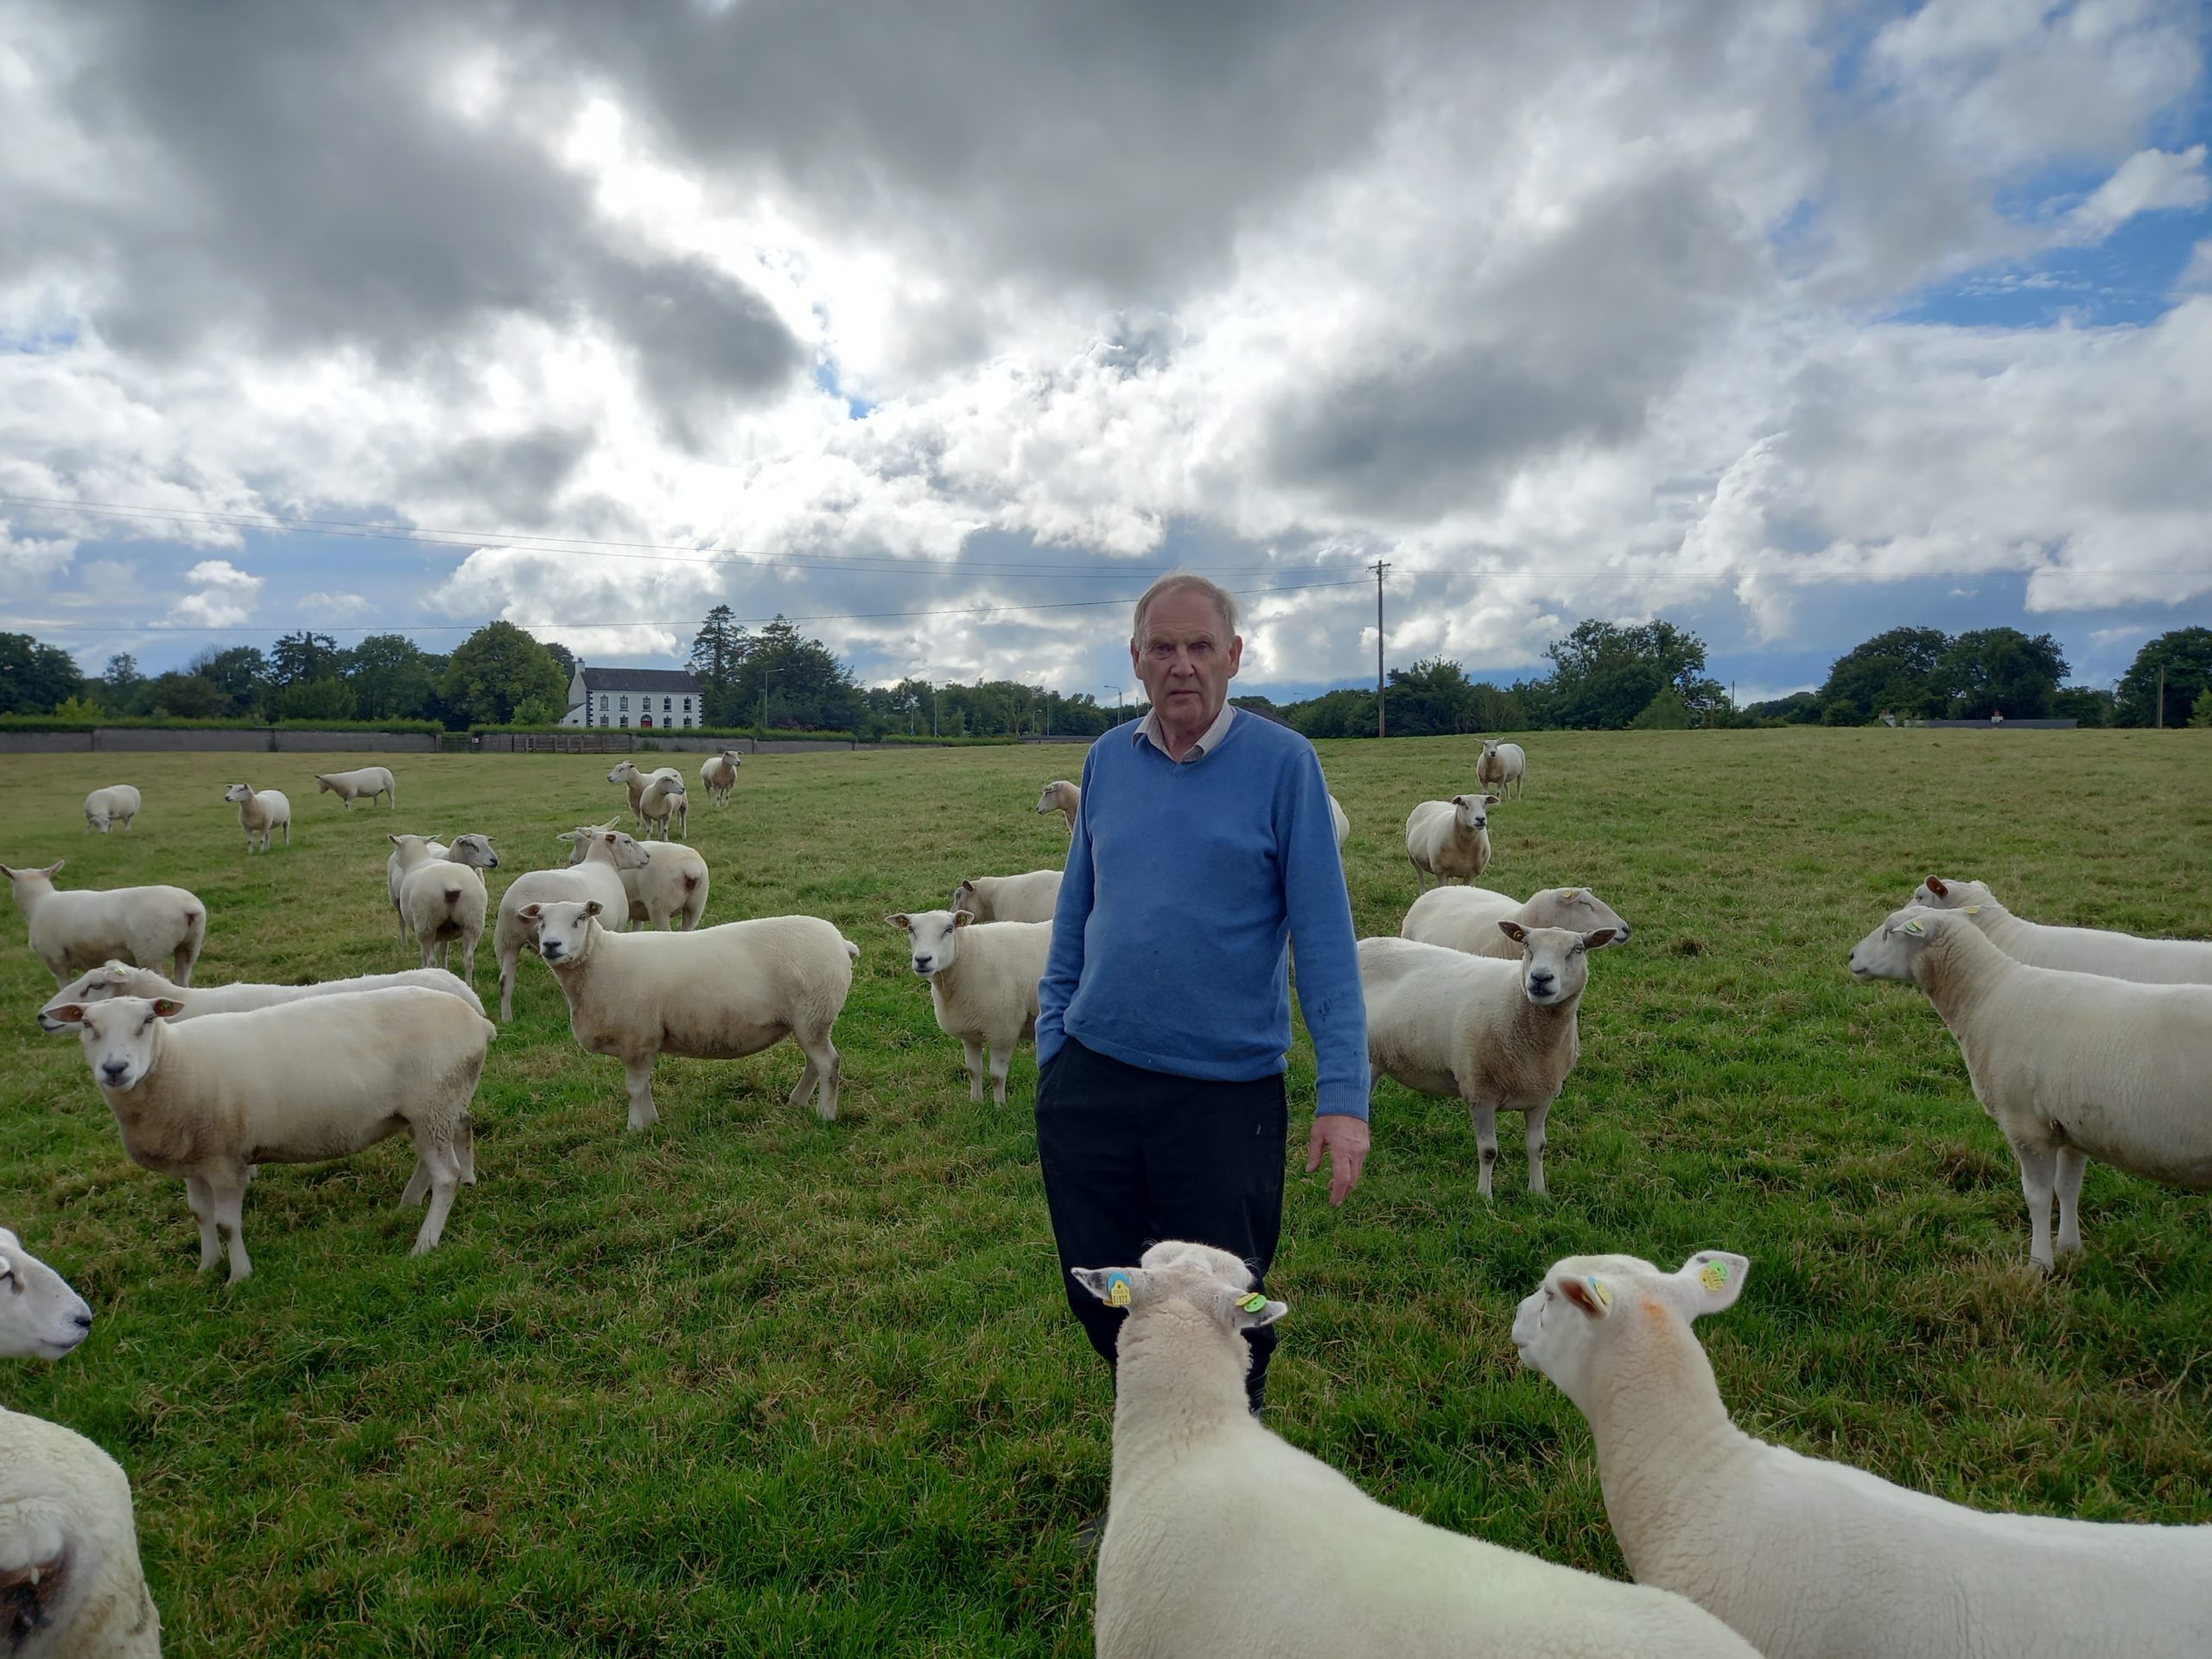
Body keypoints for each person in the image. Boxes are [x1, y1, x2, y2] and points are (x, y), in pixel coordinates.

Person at [1034, 571, 1370, 1414]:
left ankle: (1231, 1472)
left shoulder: (1284, 764)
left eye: (1199, 647)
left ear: (1233, 656)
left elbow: (1323, 941)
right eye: (1162, 647)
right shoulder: (1109, 759)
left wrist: (1344, 1095)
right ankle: (1152, 1458)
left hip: (1224, 1094)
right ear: (1137, 660)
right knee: (1108, 1296)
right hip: (1092, 1081)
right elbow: (1077, 908)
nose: (1181, 665)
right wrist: (1052, 1047)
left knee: (1223, 1310)